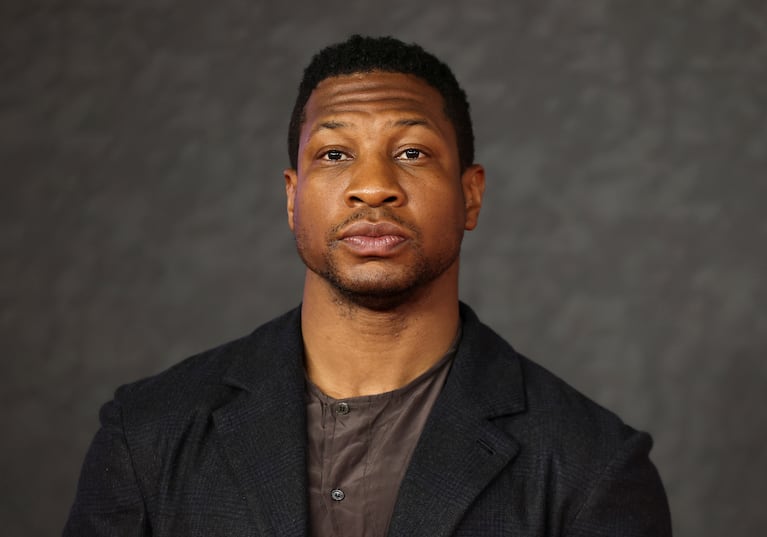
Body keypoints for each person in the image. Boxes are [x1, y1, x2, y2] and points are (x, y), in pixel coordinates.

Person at [64, 35, 672, 536]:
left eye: (411, 152)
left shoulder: (591, 466)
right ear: (291, 197)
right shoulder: (146, 434)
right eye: (333, 155)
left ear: (470, 195)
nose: (373, 185)